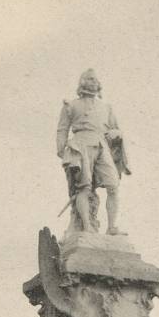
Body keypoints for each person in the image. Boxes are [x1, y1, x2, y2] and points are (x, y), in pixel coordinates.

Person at [56, 68, 131, 235]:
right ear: (82, 82)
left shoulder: (107, 107)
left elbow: (117, 129)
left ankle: (112, 227)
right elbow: (62, 129)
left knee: (113, 185)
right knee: (84, 187)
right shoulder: (71, 105)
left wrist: (116, 133)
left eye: (95, 79)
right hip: (80, 145)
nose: (94, 82)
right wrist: (62, 151)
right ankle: (87, 226)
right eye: (90, 79)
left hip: (102, 145)